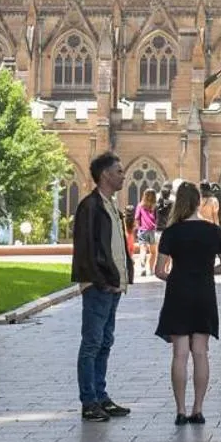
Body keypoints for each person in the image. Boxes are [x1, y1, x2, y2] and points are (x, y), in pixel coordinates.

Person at [154, 180, 221, 425]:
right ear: (199, 202)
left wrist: (176, 277)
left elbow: (159, 270)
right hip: (204, 293)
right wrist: (207, 272)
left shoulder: (171, 232)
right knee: (200, 352)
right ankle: (198, 409)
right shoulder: (214, 231)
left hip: (178, 293)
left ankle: (180, 410)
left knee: (180, 354)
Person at [71, 152, 132, 421]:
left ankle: (100, 396)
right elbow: (85, 248)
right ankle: (89, 402)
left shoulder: (110, 206)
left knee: (105, 342)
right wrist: (100, 280)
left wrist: (124, 275)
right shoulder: (91, 206)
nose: (123, 176)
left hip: (112, 285)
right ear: (105, 175)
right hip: (99, 286)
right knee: (92, 343)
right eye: (119, 171)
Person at [134, 190, 159, 282]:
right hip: (152, 230)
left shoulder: (140, 205)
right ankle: (151, 270)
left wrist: (138, 228)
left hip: (143, 230)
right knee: (153, 252)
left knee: (143, 250)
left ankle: (143, 268)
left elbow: (137, 218)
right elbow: (157, 218)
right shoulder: (155, 206)